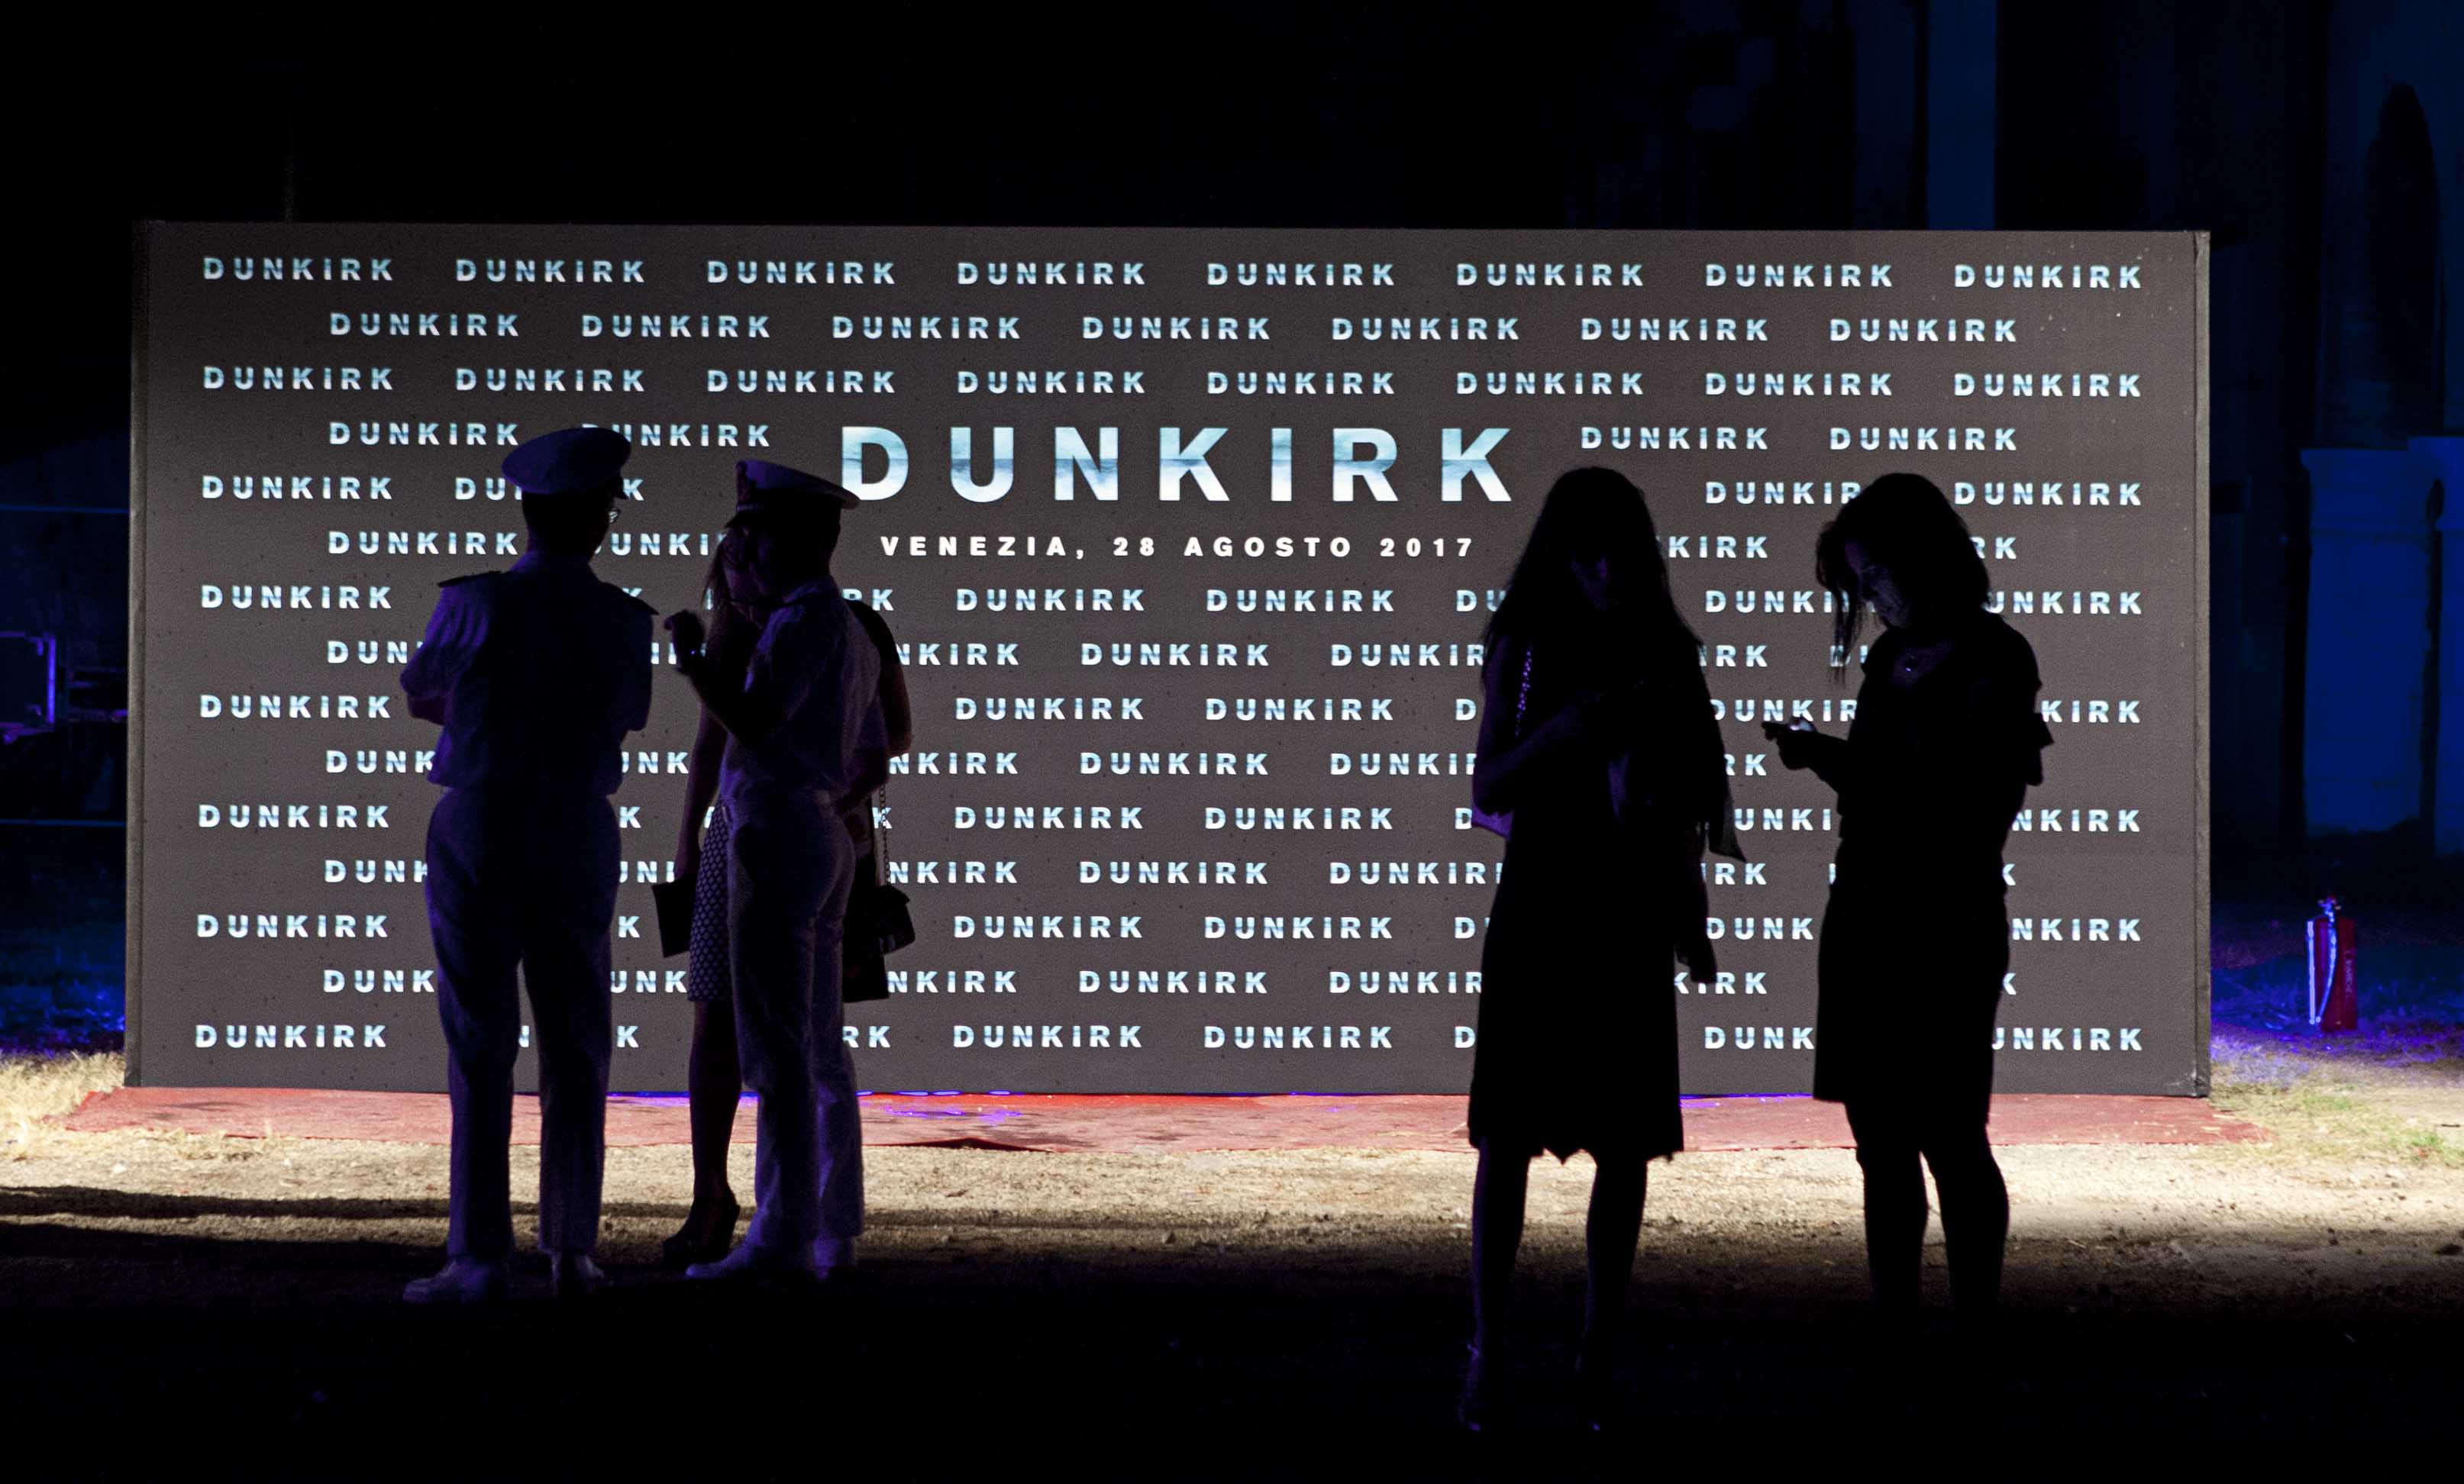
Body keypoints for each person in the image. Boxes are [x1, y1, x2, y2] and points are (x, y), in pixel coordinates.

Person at [1461, 466, 1733, 1432]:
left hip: (1627, 913)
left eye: (1622, 553)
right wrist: (1568, 732)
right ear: (1563, 560)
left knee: (1624, 1146)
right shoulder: (1527, 645)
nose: (1608, 572)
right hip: (1543, 906)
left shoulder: (1666, 650)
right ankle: (1489, 1352)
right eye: (1590, 557)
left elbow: (1687, 801)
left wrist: (1689, 918)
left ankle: (1595, 1357)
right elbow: (1488, 785)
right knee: (1506, 1139)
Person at [1767, 471, 2052, 1342]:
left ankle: (1972, 1333)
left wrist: (1839, 763)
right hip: (1866, 914)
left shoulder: (1996, 657)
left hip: (1944, 921)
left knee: (1951, 1137)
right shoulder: (1890, 659)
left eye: (1877, 576)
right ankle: (1896, 1327)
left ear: (1926, 560)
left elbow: (1967, 798)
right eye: (1860, 584)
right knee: (1880, 1142)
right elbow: (1892, 780)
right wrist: (1828, 757)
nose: (1872, 598)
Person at [399, 426, 654, 1303]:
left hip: (481, 816)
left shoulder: (473, 602)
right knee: (576, 1038)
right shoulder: (621, 618)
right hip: (574, 824)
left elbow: (422, 694)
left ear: (526, 511)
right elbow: (627, 716)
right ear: (602, 518)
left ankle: (477, 1256)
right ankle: (571, 1249)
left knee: (478, 1039)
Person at [661, 537, 909, 1270]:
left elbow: (751, 726)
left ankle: (784, 1233)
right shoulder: (839, 625)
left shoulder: (808, 624)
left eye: (739, 562)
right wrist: (830, 807)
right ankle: (816, 1225)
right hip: (805, 830)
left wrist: (694, 665)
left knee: (782, 1046)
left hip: (778, 830)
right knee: (806, 1039)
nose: (732, 583)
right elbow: (876, 750)